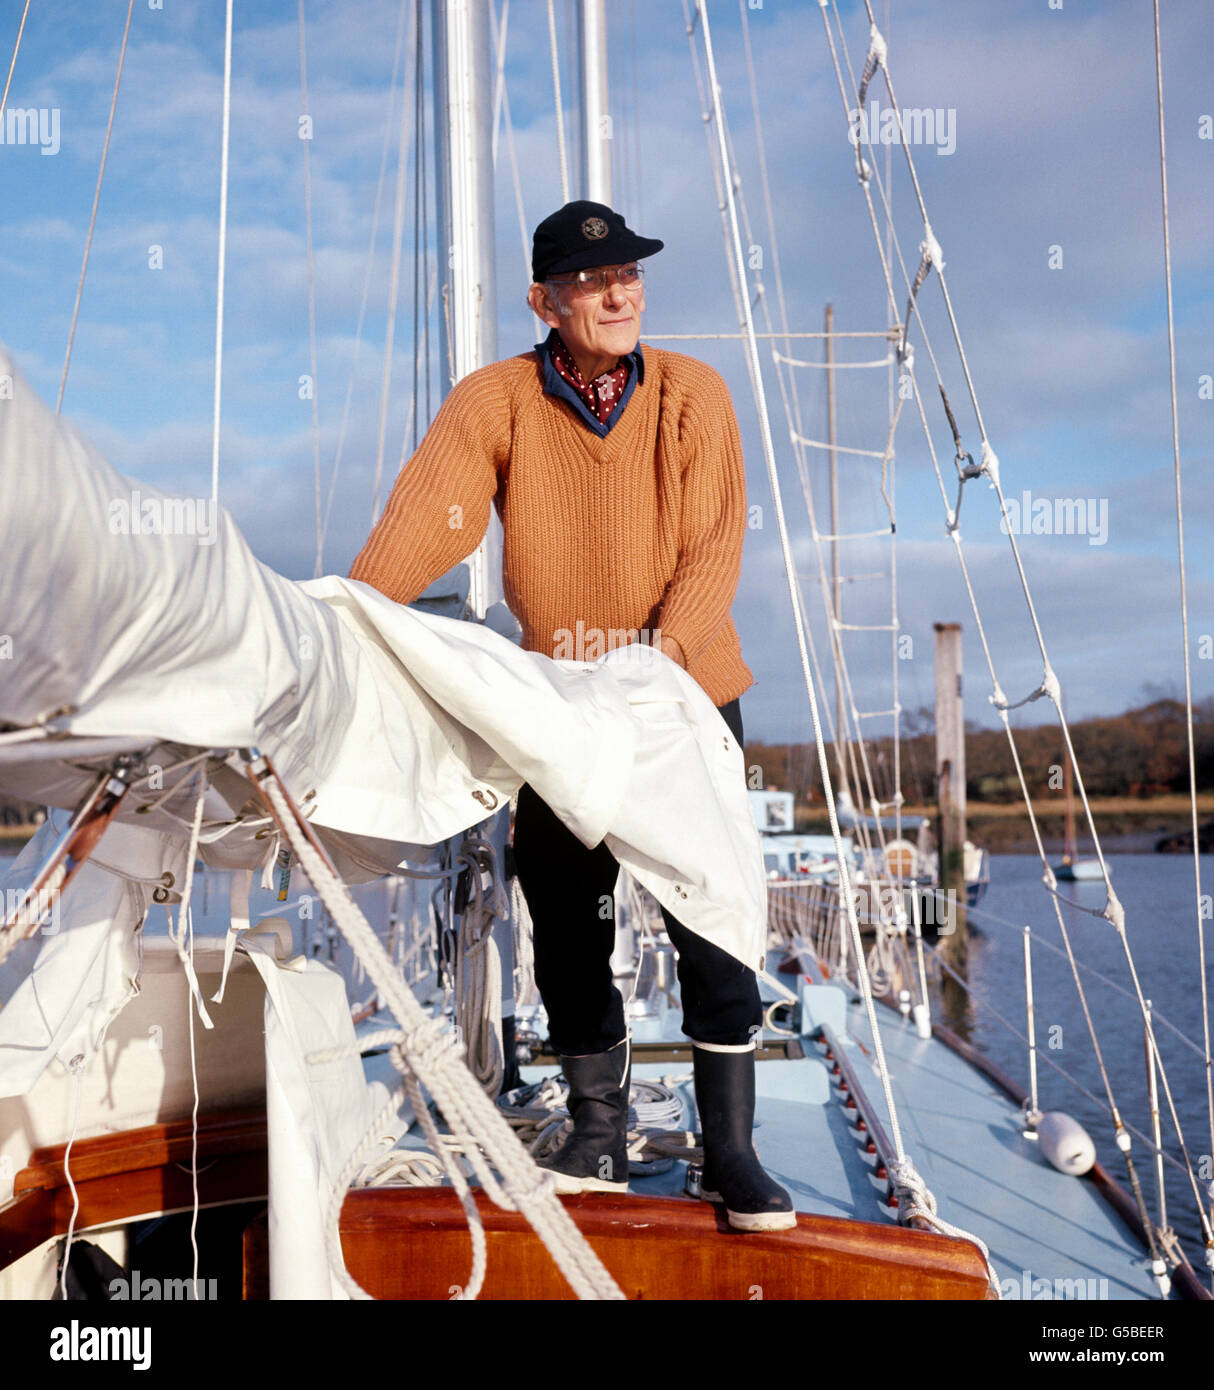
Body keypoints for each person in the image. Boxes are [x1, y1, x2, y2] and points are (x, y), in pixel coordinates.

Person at [349, 200, 793, 1232]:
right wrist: (353, 623)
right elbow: (428, 521)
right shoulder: (497, 400)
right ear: (544, 301)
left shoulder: (692, 394)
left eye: (629, 274)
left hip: (682, 689)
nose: (619, 292)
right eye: (594, 283)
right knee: (565, 911)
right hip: (558, 702)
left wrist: (661, 666)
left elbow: (710, 550)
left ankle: (728, 1146)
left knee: (708, 912)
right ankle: (597, 1125)